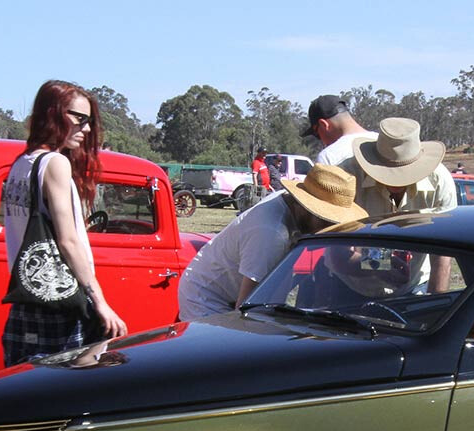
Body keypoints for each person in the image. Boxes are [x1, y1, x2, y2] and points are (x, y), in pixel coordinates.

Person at [0, 79, 128, 365]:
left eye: (89, 121)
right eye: (79, 119)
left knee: (28, 389)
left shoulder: (22, 164)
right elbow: (68, 241)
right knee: (72, 387)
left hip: (27, 300)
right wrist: (101, 303)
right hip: (60, 299)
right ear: (53, 114)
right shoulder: (55, 163)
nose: (87, 129)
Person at [177, 163, 366, 320]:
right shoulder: (270, 233)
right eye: (325, 220)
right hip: (205, 299)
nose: (327, 228)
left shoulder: (291, 211)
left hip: (228, 293)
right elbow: (245, 307)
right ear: (306, 207)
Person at [339, 117, 456, 291]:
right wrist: (380, 264)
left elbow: (442, 255)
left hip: (415, 287)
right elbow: (337, 254)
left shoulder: (440, 182)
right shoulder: (347, 177)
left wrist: (434, 304)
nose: (396, 182)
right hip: (354, 291)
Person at [303, 95, 373, 167]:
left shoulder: (328, 157)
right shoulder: (381, 140)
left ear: (324, 124)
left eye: (317, 134)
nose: (322, 141)